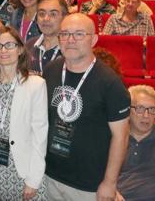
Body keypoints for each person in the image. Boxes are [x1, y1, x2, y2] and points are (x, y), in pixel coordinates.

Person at [44, 13, 130, 200]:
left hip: (89, 184)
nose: (70, 40)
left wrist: (110, 182)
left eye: (79, 34)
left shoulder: (110, 83)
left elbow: (121, 137)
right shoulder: (51, 70)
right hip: (49, 175)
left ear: (94, 40)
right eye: (65, 34)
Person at [0, 26, 48, 200]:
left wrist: (34, 179)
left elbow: (40, 135)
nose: (3, 50)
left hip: (23, 169)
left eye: (9, 45)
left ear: (20, 49)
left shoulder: (36, 85)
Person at [26, 0, 68, 75]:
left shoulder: (70, 48)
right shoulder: (29, 45)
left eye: (53, 14)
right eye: (41, 14)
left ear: (64, 18)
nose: (46, 18)